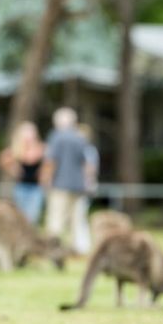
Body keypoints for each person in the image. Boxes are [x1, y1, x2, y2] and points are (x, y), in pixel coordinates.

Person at [43, 108, 88, 245]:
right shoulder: (80, 137)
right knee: (77, 220)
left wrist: (47, 179)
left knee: (56, 219)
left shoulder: (56, 137)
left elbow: (51, 161)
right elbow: (84, 162)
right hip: (78, 185)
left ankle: (52, 248)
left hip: (60, 184)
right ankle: (77, 248)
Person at [0, 122, 46, 225]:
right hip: (21, 187)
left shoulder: (40, 148)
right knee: (20, 216)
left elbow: (49, 163)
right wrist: (13, 170)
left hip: (36, 188)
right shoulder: (16, 149)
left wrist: (44, 174)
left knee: (33, 216)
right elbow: (3, 159)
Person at [71, 123, 99, 255]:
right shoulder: (85, 149)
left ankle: (83, 245)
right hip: (77, 186)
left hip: (82, 187)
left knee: (80, 216)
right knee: (76, 217)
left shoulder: (88, 150)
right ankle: (77, 244)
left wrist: (88, 184)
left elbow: (90, 169)